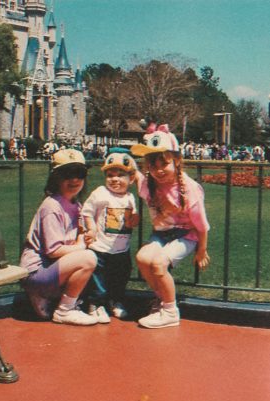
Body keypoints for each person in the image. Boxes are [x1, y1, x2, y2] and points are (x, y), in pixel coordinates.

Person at [131, 125, 210, 329]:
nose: (158, 171)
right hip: (161, 233)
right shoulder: (150, 183)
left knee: (158, 264)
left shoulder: (189, 188)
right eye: (152, 165)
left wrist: (201, 250)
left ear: (176, 160)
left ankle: (170, 311)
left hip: (187, 235)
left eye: (164, 164)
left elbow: (201, 225)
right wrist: (132, 171)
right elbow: (139, 178)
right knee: (142, 258)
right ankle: (162, 299)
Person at [20, 149, 98, 325]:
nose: (74, 180)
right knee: (88, 258)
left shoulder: (76, 205)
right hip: (36, 272)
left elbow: (81, 233)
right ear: (56, 178)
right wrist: (81, 245)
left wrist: (89, 233)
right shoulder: (52, 207)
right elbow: (54, 250)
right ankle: (65, 310)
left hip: (52, 270)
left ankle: (47, 298)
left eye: (80, 173)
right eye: (67, 174)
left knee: (95, 255)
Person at [81, 148, 140, 323]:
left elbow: (132, 220)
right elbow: (87, 212)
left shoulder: (130, 197)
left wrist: (135, 219)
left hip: (121, 249)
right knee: (98, 278)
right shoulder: (100, 193)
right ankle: (95, 304)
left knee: (120, 276)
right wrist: (90, 229)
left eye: (121, 175)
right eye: (110, 175)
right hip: (101, 246)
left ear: (131, 179)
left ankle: (116, 300)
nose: (115, 179)